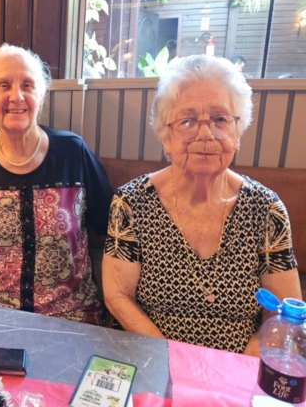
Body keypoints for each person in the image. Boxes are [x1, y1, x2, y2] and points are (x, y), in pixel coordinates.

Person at [103, 55, 301, 354]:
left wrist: (236, 371)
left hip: (238, 364)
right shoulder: (132, 202)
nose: (206, 134)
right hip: (153, 355)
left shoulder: (266, 209)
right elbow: (118, 297)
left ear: (237, 134)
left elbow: (282, 313)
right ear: (166, 138)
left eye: (220, 119)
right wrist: (175, 361)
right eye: (187, 121)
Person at [0, 44, 114, 324]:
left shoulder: (72, 152)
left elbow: (113, 225)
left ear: (40, 97)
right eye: (4, 85)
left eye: (27, 85)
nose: (17, 96)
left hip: (70, 316)